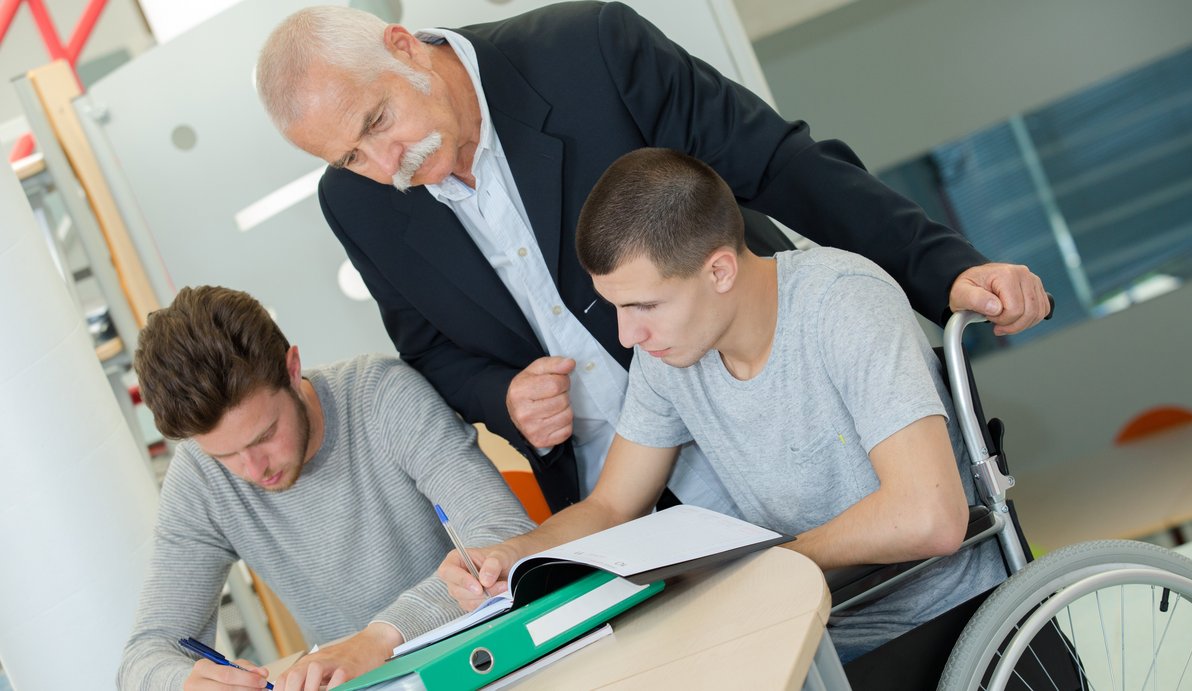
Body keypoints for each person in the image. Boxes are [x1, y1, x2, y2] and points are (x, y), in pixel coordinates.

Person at [254, 2, 1049, 515]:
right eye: (350, 155)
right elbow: (428, 346)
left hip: (781, 426)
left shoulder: (587, 51)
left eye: (379, 121)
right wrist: (501, 395)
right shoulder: (354, 203)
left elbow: (778, 164)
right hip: (625, 493)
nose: (383, 164)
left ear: (407, 49)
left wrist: (943, 271)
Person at [437, 148, 1008, 663]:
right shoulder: (669, 359)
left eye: (643, 306)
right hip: (811, 629)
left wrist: (764, 566)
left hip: (945, 625)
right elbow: (612, 507)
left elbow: (929, 517)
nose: (627, 335)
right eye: (614, 307)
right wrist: (514, 555)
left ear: (719, 270)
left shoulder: (844, 303)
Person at [116, 286, 536, 690]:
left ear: (292, 368)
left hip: (494, 660)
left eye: (263, 436)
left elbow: (504, 534)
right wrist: (183, 682)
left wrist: (378, 639)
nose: (253, 469)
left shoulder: (381, 395)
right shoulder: (199, 478)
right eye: (224, 455)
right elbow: (143, 656)